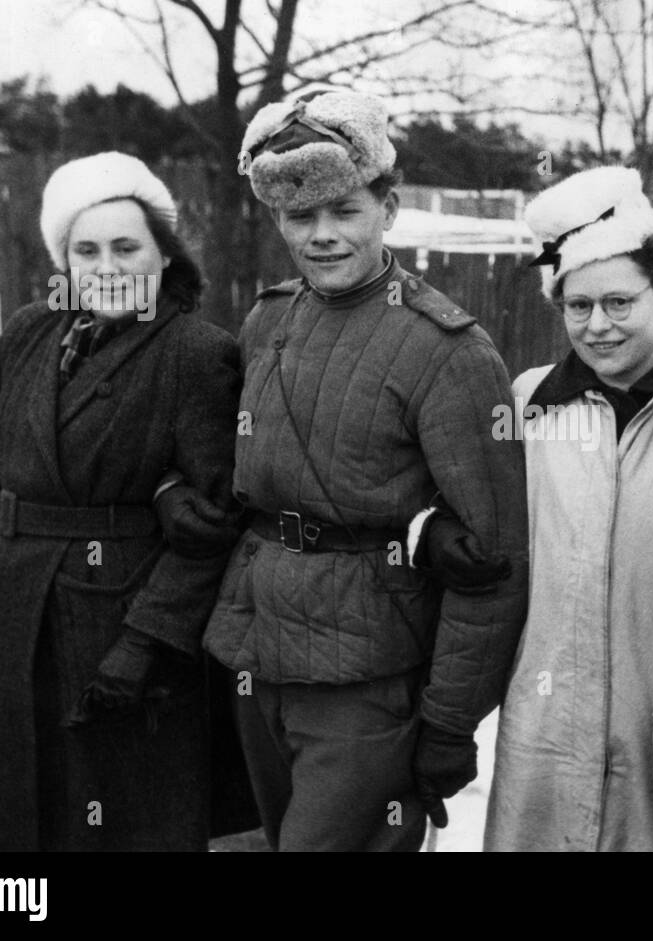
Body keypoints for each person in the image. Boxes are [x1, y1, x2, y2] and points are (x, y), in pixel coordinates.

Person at [193, 88, 529, 851]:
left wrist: (448, 720)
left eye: (344, 211)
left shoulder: (449, 352)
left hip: (365, 679)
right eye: (299, 217)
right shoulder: (268, 320)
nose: (321, 236)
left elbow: (494, 561)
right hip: (255, 653)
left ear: (389, 206)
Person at [0, 152, 244, 851]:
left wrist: (148, 644)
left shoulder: (196, 353)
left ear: (163, 256)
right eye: (86, 249)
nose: (106, 265)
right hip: (2, 619)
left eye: (127, 246)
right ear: (63, 259)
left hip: (116, 634)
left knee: (107, 821)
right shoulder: (28, 334)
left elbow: (216, 523)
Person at [482, 167, 653, 851]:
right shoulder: (527, 403)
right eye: (577, 306)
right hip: (544, 728)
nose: (597, 325)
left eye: (618, 302)